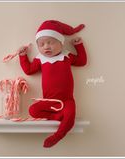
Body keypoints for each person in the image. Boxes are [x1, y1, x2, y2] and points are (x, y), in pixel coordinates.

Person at [17, 20, 87, 148]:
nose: (46, 47)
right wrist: (23, 55)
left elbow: (82, 61)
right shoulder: (40, 59)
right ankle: (57, 115)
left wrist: (79, 45)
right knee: (33, 110)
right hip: (49, 102)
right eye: (42, 44)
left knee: (70, 115)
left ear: (61, 43)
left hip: (66, 100)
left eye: (51, 42)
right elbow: (29, 70)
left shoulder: (66, 56)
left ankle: (58, 135)